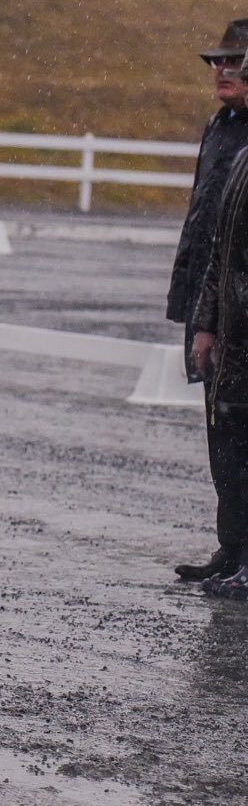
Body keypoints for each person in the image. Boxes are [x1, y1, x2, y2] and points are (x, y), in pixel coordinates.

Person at [169, 19, 248, 583]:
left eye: (234, 61)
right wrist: (195, 308)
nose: (222, 70)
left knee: (240, 429)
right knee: (221, 431)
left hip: (237, 307)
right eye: (217, 61)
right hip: (211, 300)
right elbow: (205, 225)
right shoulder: (221, 127)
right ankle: (233, 546)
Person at [190, 134, 248, 599]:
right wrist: (206, 323)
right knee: (230, 449)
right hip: (235, 335)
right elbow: (220, 252)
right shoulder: (242, 155)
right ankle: (235, 552)